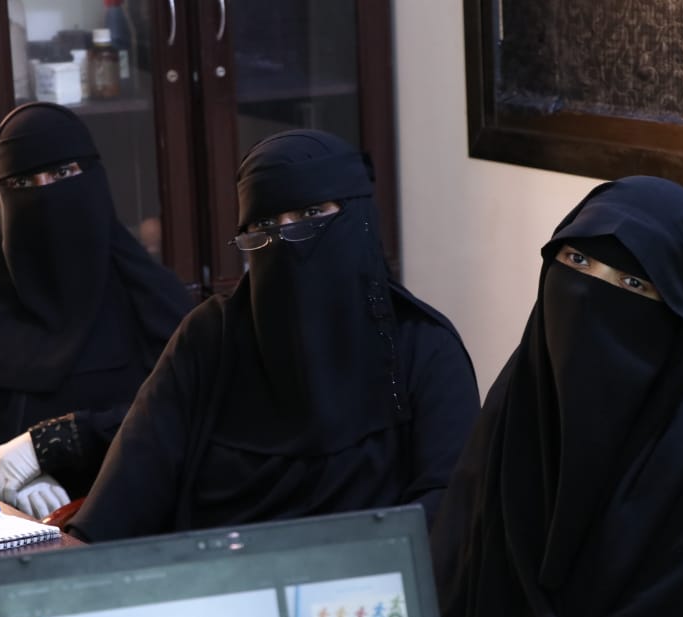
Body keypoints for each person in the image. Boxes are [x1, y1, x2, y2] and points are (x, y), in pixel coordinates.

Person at [430, 176, 683, 617]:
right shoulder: (522, 403)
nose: (588, 296)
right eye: (578, 261)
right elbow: (450, 581)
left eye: (633, 284)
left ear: (682, 321)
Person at [67, 129, 480, 541]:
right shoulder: (210, 339)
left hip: (369, 576)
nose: (284, 238)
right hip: (219, 576)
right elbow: (124, 493)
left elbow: (448, 510)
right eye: (264, 224)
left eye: (311, 214)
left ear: (358, 219)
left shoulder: (422, 348)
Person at [0, 102, 193, 519]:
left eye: (62, 174)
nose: (45, 194)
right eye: (23, 182)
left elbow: (186, 410)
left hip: (116, 523)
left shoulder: (147, 293)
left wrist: (50, 443)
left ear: (94, 177)